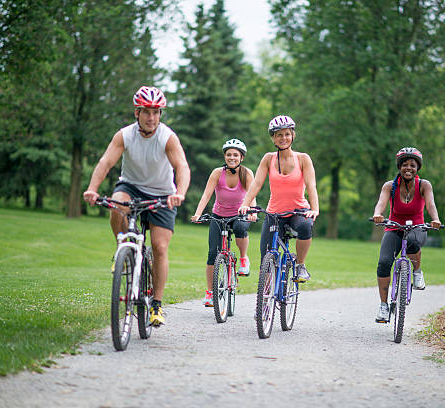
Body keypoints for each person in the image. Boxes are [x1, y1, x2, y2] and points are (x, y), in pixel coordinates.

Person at [83, 86, 190, 327]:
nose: (151, 118)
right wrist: (92, 188)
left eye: (156, 112)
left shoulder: (168, 137)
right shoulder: (125, 135)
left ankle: (156, 305)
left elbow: (182, 166)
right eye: (146, 112)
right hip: (130, 186)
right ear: (137, 113)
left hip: (163, 194)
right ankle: (122, 248)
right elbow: (106, 162)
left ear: (160, 114)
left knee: (160, 247)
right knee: (116, 206)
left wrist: (180, 193)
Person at [238, 115, 319, 283]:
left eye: (287, 134)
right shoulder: (268, 159)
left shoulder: (303, 159)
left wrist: (314, 209)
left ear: (293, 135)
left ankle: (300, 265)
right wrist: (245, 204)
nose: (284, 138)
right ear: (273, 138)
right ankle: (265, 302)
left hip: (298, 211)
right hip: (274, 213)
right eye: (279, 135)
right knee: (266, 257)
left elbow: (311, 186)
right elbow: (256, 184)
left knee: (305, 226)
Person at [372, 147, 441, 323]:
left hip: (417, 226)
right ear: (399, 167)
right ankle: (383, 306)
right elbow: (381, 202)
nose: (408, 168)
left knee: (413, 242)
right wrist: (378, 215)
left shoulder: (424, 185)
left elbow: (431, 204)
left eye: (412, 165)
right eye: (404, 165)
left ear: (417, 168)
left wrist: (435, 219)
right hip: (394, 227)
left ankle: (417, 272)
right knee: (384, 262)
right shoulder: (390, 186)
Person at [191, 139, 257, 307]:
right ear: (225, 156)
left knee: (241, 228)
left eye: (235, 155)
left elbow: (252, 195)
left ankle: (243, 259)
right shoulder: (216, 173)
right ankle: (210, 292)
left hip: (239, 214)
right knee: (212, 254)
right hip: (218, 215)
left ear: (241, 157)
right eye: (229, 154)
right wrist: (198, 214)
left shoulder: (246, 173)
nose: (232, 157)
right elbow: (206, 195)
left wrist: (252, 212)